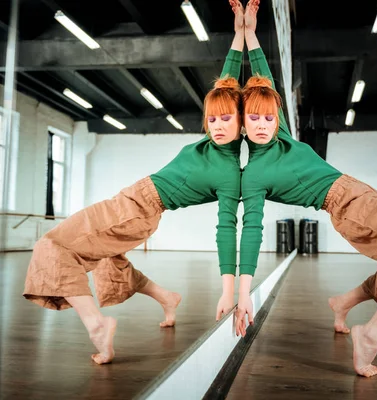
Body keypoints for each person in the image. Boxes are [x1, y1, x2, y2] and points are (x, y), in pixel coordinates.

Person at [235, 0, 377, 377]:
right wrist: (242, 293)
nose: (262, 124)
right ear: (243, 123)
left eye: (268, 117)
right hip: (348, 206)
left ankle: (344, 302)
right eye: (253, 119)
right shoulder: (255, 173)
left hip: (359, 194)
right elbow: (251, 229)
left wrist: (249, 33)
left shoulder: (283, 139)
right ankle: (371, 335)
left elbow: (264, 81)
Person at [23, 4, 246, 364]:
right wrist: (240, 32)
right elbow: (228, 82)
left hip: (137, 208)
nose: (218, 125)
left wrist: (230, 291)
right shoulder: (212, 141)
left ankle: (96, 325)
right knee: (112, 265)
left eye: (226, 120)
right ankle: (166, 297)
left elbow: (226, 228)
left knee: (53, 247)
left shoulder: (230, 173)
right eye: (213, 118)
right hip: (135, 201)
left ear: (244, 123)